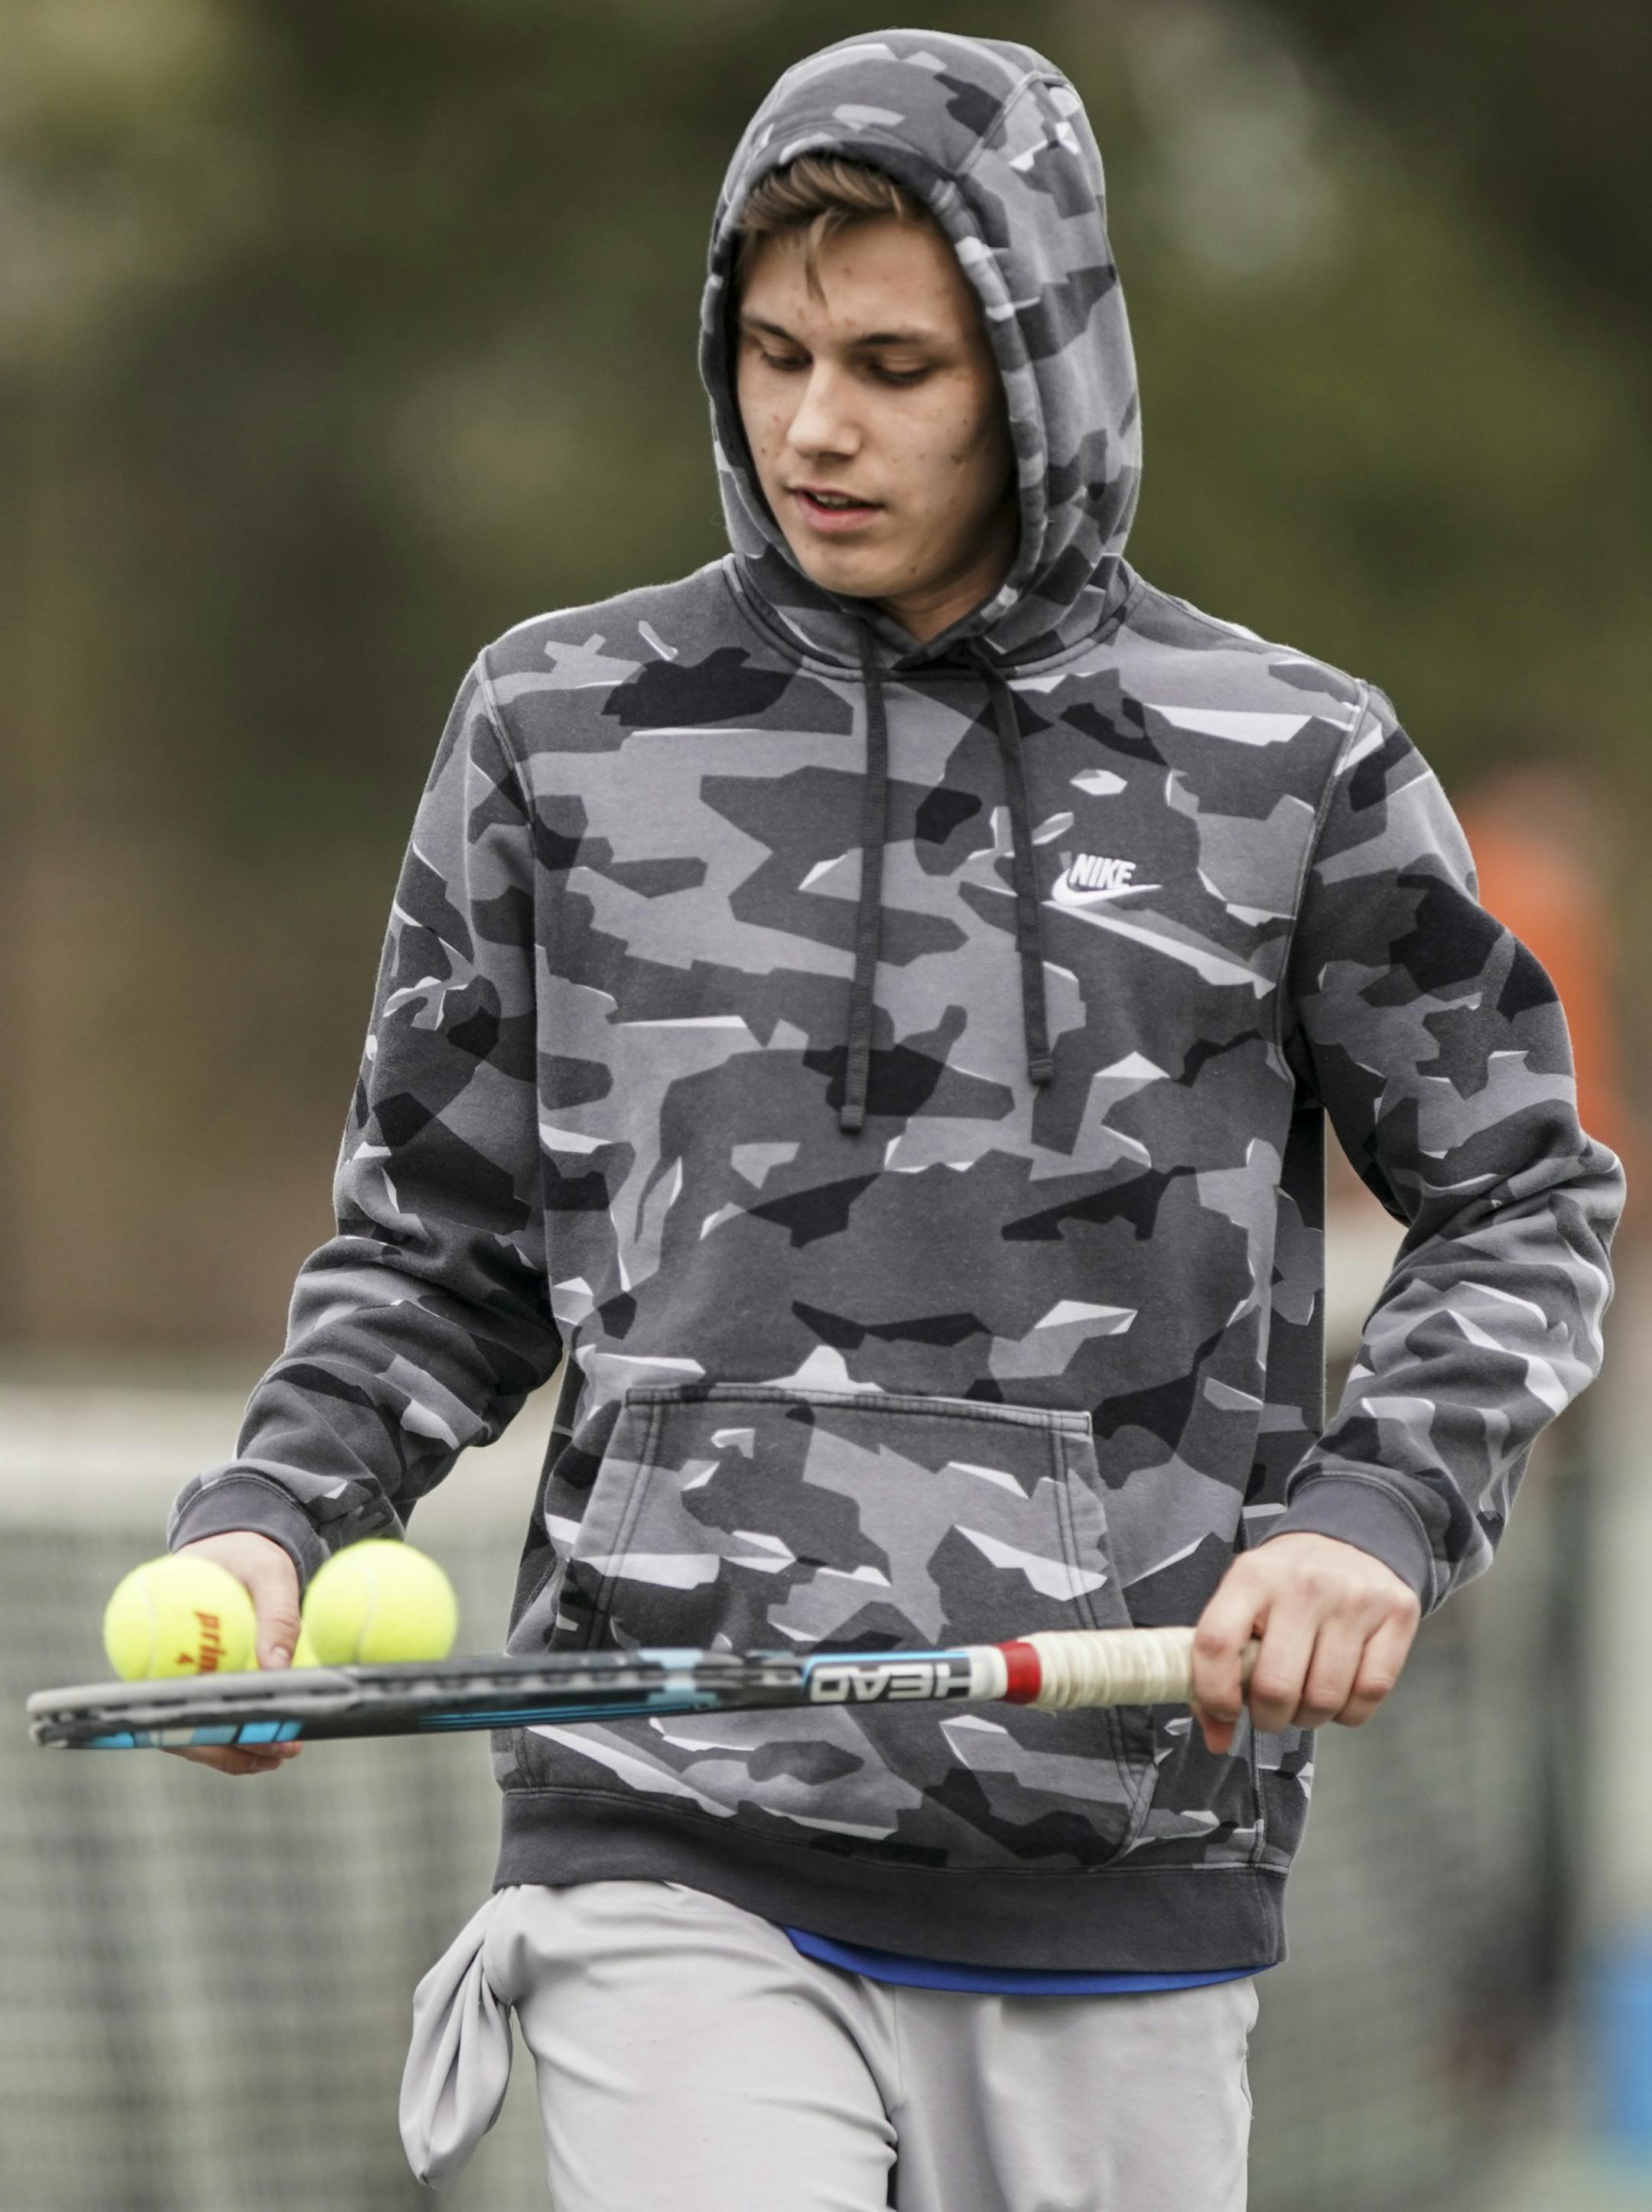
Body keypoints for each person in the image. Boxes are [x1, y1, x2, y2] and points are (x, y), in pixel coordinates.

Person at [163, 29, 1625, 2210]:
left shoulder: (1288, 762)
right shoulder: (556, 730)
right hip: (665, 1830)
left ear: (1037, 368)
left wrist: (1372, 1520)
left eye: (893, 364)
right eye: (770, 352)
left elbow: (1523, 1200)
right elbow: (434, 1252)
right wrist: (273, 1517)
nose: (814, 424)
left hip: (1121, 1874)